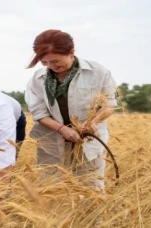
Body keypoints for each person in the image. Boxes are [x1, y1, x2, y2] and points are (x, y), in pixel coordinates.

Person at [24, 29, 117, 191]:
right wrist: (62, 129)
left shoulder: (98, 73)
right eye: (45, 63)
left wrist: (92, 123)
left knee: (90, 189)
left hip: (88, 141)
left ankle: (91, 218)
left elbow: (109, 105)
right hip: (51, 142)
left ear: (71, 52)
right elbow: (39, 114)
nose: (51, 67)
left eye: (56, 61)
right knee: (52, 191)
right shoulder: (37, 79)